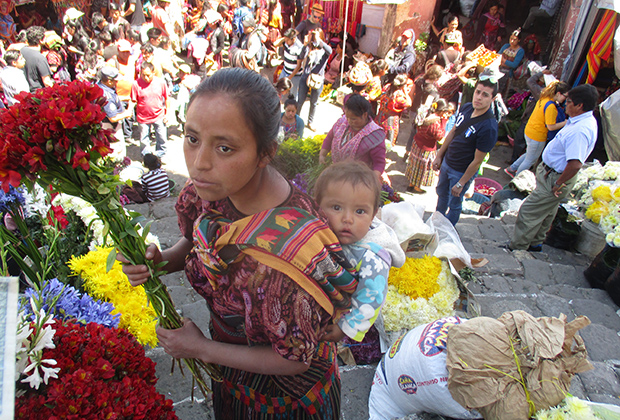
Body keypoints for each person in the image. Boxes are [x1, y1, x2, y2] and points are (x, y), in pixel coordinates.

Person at [119, 68, 345, 418]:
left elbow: (294, 361)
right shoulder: (209, 192)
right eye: (192, 139)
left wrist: (202, 349)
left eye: (224, 147)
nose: (199, 163)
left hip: (285, 402)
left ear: (265, 153)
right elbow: (195, 244)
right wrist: (156, 262)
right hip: (232, 377)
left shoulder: (288, 256)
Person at [314, 161, 405, 342]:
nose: (347, 219)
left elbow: (370, 298)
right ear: (317, 207)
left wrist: (345, 328)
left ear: (373, 215)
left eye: (360, 211)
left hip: (345, 314)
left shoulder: (372, 258)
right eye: (337, 208)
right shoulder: (319, 231)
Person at [510, 84, 598, 251]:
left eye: (570, 101)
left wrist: (559, 183)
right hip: (553, 175)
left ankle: (517, 248)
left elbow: (575, 164)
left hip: (555, 178)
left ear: (580, 106)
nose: (565, 104)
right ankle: (535, 244)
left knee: (529, 211)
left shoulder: (581, 130)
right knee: (548, 212)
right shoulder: (580, 121)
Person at [432, 78, 499, 225]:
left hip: (461, 172)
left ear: (493, 99)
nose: (479, 97)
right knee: (441, 194)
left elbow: (477, 161)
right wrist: (439, 155)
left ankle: (448, 229)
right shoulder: (467, 107)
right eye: (478, 92)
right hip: (448, 162)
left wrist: (461, 183)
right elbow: (453, 132)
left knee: (454, 203)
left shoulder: (489, 127)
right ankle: (437, 222)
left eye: (485, 95)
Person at [505, 80, 569, 177]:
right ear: (559, 93)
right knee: (530, 160)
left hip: (529, 131)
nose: (566, 99)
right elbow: (551, 127)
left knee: (529, 154)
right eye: (565, 96)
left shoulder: (544, 98)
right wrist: (565, 123)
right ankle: (517, 178)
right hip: (537, 136)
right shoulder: (551, 107)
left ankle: (512, 168)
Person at [319, 94, 386, 181]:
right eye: (347, 117)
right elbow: (330, 137)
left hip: (358, 180)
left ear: (365, 115)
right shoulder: (342, 122)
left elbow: (379, 162)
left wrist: (373, 179)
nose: (349, 121)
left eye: (354, 119)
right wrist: (322, 155)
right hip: (337, 175)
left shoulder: (374, 135)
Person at [405, 99, 451, 194]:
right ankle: (417, 187)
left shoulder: (425, 113)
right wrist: (444, 121)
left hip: (416, 143)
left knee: (414, 164)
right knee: (422, 168)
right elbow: (440, 136)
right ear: (442, 111)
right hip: (426, 148)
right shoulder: (435, 122)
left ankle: (411, 184)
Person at [131, 61, 169, 157]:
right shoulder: (136, 84)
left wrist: (167, 114)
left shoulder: (161, 82)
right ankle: (147, 157)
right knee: (144, 139)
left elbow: (167, 98)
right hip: (143, 117)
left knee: (161, 137)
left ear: (153, 72)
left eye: (148, 75)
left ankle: (160, 155)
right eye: (143, 75)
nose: (146, 78)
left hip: (158, 115)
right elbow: (133, 100)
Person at [297, 28, 331, 132]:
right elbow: (300, 57)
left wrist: (319, 41)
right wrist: (305, 44)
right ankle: (296, 118)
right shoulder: (308, 48)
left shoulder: (324, 51)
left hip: (317, 79)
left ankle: (310, 121)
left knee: (314, 102)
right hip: (305, 77)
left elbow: (330, 51)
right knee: (300, 100)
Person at [97, 66, 134, 159]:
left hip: (109, 126)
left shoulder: (102, 86)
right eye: (115, 81)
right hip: (110, 128)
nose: (117, 82)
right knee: (116, 154)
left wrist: (124, 99)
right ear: (109, 81)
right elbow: (113, 118)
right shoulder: (106, 96)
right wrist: (127, 113)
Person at [376, 74, 412, 146]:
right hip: (391, 119)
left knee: (378, 135)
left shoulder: (387, 87)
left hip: (381, 115)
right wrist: (405, 91)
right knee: (389, 136)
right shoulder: (398, 96)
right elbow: (409, 103)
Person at [20, 25, 54, 92]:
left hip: (24, 92)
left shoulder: (21, 51)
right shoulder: (40, 58)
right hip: (38, 93)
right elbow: (47, 82)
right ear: (41, 41)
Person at [275, 28, 303, 96]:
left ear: (293, 39)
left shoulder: (299, 47)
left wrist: (290, 77)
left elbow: (299, 66)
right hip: (285, 71)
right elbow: (275, 44)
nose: (286, 41)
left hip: (294, 75)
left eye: (288, 40)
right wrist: (284, 39)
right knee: (278, 88)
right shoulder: (286, 43)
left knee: (293, 94)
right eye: (285, 40)